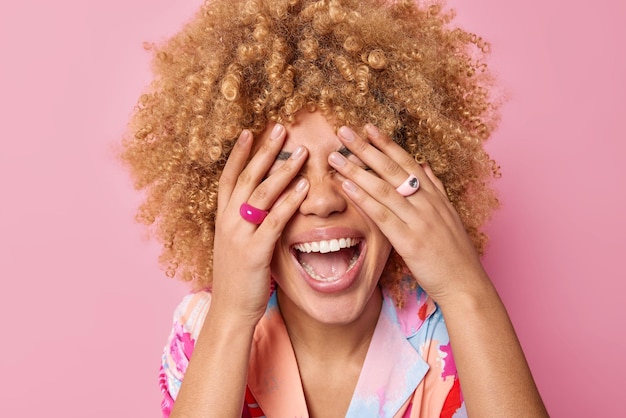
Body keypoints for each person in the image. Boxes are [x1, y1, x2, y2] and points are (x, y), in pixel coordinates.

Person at [122, 0, 548, 416]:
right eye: (283, 170)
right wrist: (232, 315)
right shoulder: (206, 327)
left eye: (354, 162)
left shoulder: (452, 334)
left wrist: (464, 288)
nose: (324, 201)